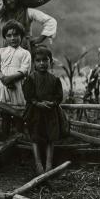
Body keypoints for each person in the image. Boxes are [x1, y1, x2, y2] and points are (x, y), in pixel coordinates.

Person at [23, 46, 68, 174]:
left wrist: (52, 103)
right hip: (36, 113)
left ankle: (48, 164)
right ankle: (38, 164)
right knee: (35, 137)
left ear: (50, 61)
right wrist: (37, 103)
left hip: (50, 113)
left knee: (50, 138)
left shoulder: (54, 79)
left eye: (45, 60)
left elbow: (58, 96)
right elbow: (28, 95)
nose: (42, 63)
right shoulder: (31, 79)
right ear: (34, 63)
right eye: (38, 60)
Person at [0, 20, 31, 136]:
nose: (13, 38)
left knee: (19, 115)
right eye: (9, 35)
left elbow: (24, 70)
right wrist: (3, 78)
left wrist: (10, 79)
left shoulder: (25, 53)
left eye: (16, 35)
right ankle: (5, 140)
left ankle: (19, 139)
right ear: (5, 37)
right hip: (2, 87)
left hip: (17, 87)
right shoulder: (0, 51)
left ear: (21, 36)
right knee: (5, 115)